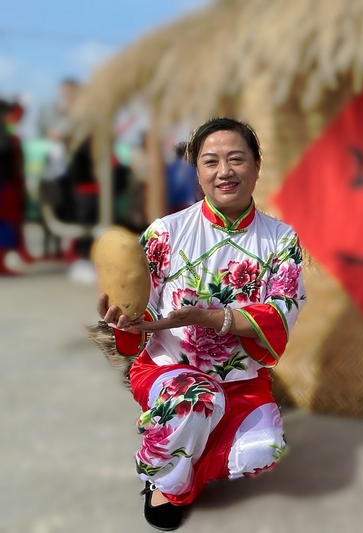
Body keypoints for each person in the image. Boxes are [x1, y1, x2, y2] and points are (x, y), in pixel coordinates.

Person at [98, 118, 306, 530]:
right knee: (195, 399)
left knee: (265, 451)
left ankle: (183, 462)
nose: (224, 171)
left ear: (257, 166)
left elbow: (281, 312)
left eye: (236, 159)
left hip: (242, 382)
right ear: (197, 172)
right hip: (170, 372)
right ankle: (164, 481)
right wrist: (124, 318)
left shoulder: (281, 240)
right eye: (211, 161)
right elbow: (141, 311)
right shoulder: (165, 232)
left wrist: (209, 318)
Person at [0, 99, 27, 275]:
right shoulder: (9, 139)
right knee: (5, 223)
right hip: (6, 187)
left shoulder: (11, 138)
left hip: (8, 185)